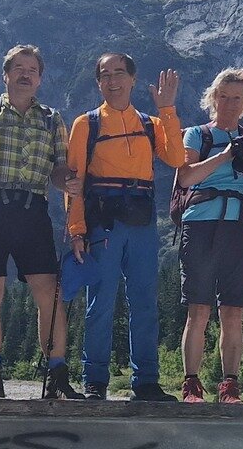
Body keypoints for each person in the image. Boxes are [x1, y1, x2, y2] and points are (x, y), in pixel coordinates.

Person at [0, 38, 78, 399]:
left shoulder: (52, 118)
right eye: (18, 69)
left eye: (32, 70)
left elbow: (57, 170)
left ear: (40, 79)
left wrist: (66, 180)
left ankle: (57, 375)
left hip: (32, 210)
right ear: (5, 75)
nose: (26, 75)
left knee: (49, 292)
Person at [64, 53, 184, 401]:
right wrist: (76, 230)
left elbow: (176, 159)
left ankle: (146, 381)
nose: (112, 81)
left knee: (145, 301)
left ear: (133, 79)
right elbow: (75, 183)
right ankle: (95, 381)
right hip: (104, 223)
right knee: (100, 301)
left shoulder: (151, 123)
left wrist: (168, 109)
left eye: (119, 73)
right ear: (98, 83)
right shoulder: (86, 124)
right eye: (105, 75)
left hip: (142, 223)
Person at [173, 68, 243, 404]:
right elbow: (186, 177)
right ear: (213, 98)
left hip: (238, 227)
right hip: (201, 225)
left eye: (236, 97)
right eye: (223, 96)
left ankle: (230, 384)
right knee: (199, 309)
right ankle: (191, 383)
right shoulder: (197, 134)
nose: (228, 103)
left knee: (233, 311)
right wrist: (226, 156)